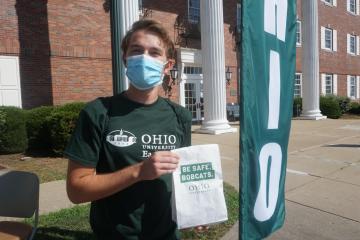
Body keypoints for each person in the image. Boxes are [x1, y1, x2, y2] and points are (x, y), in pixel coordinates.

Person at [65, 19, 192, 239]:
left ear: (168, 65)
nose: (144, 58)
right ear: (125, 58)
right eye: (136, 50)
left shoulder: (180, 116)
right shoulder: (98, 112)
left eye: (154, 53)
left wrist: (195, 212)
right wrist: (139, 172)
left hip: (167, 234)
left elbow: (183, 178)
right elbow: (76, 190)